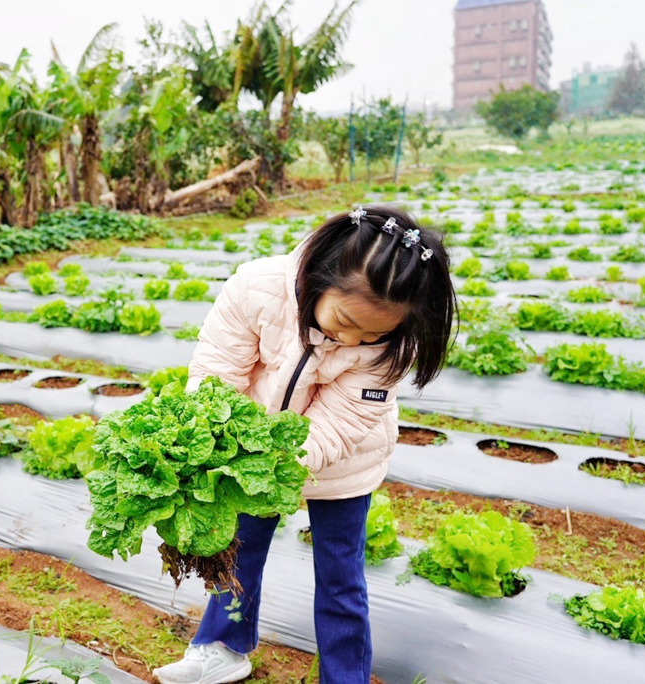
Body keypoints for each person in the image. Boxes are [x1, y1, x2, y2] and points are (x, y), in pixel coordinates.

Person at [153, 205, 456, 684]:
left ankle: (344, 676)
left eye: (372, 333)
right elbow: (217, 373)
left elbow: (340, 421)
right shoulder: (257, 288)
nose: (352, 337)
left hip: (344, 464)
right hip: (247, 454)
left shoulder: (393, 347)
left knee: (340, 576)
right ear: (321, 275)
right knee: (237, 551)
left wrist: (277, 466)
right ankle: (223, 648)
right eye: (344, 319)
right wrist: (226, 453)